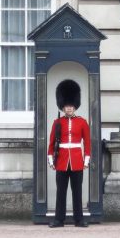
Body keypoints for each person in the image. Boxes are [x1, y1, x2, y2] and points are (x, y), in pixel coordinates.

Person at [47, 80, 91, 228]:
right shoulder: (57, 122)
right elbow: (52, 143)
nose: (69, 108)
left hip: (77, 161)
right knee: (61, 192)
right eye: (66, 106)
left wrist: (86, 161)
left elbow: (87, 143)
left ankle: (79, 219)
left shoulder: (82, 122)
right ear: (63, 107)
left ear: (75, 106)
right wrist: (51, 160)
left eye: (71, 106)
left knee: (77, 192)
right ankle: (59, 220)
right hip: (61, 161)